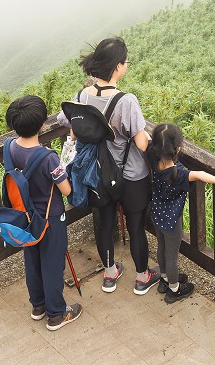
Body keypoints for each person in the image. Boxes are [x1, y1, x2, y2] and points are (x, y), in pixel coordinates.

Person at [56, 36, 159, 295]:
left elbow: (63, 118)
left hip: (97, 174)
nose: (127, 66)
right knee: (135, 227)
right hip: (130, 174)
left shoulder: (82, 95)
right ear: (117, 67)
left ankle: (110, 274)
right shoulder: (125, 101)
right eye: (126, 62)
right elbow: (142, 144)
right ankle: (142, 277)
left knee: (104, 222)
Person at [5, 95, 82, 330]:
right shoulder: (48, 158)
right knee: (52, 263)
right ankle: (56, 314)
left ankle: (38, 305)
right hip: (50, 218)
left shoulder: (9, 147)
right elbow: (67, 189)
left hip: (25, 216)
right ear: (41, 125)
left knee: (33, 261)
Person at [147, 122, 215, 303]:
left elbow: (146, 140)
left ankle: (164, 279)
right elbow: (200, 174)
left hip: (156, 214)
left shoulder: (153, 160)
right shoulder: (178, 173)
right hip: (171, 221)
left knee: (162, 248)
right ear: (177, 149)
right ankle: (174, 289)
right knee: (172, 256)